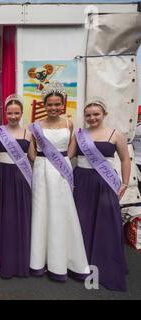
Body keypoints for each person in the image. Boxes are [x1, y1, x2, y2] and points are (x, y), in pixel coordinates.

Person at [29, 81, 90, 281]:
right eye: (50, 104)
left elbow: (72, 148)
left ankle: (63, 260)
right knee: (41, 210)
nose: (54, 108)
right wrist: (40, 162)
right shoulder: (36, 126)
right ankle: (39, 261)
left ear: (63, 104)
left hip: (61, 170)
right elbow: (31, 151)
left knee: (61, 211)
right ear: (44, 105)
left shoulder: (68, 123)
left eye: (58, 104)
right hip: (41, 169)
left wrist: (63, 162)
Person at [71, 97, 130, 291]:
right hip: (81, 181)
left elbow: (124, 159)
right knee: (82, 221)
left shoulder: (115, 134)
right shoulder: (79, 134)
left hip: (105, 184)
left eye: (96, 114)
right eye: (88, 115)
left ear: (104, 114)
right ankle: (82, 265)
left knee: (106, 223)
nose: (92, 118)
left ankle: (106, 267)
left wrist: (125, 183)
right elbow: (67, 155)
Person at [0, 94, 33, 278]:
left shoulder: (28, 133)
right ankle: (3, 261)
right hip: (3, 178)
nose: (13, 116)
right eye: (10, 113)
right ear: (4, 113)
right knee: (4, 219)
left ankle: (20, 261)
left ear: (22, 113)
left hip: (21, 178)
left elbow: (32, 158)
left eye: (16, 113)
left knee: (21, 218)